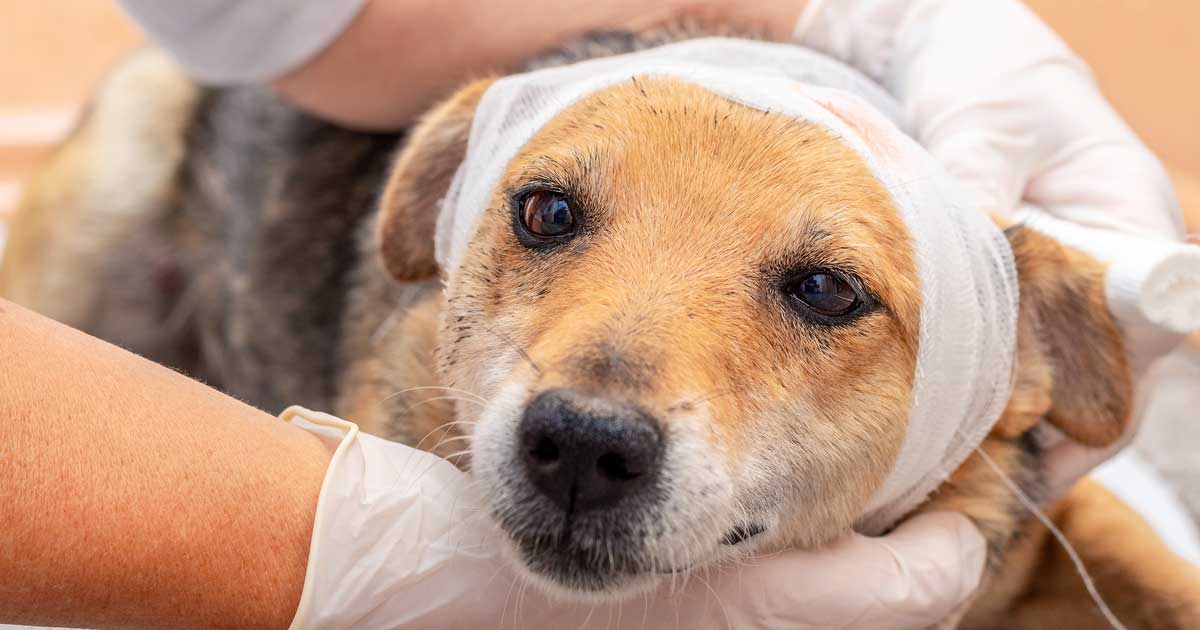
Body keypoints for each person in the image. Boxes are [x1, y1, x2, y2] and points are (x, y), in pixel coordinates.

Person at [1, 0, 1186, 627]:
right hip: (193, 212)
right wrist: (355, 554)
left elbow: (1042, 556)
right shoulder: (428, 387)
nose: (590, 415)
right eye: (551, 218)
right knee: (147, 115)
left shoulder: (980, 470)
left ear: (1014, 378)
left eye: (820, 292)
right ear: (441, 214)